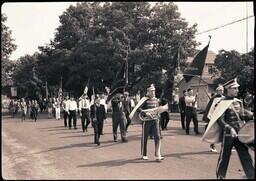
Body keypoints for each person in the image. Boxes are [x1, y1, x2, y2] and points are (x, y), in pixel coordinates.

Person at [201, 78, 254, 179]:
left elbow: (242, 115)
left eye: (237, 88)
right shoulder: (221, 103)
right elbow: (219, 120)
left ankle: (251, 175)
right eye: (235, 88)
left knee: (245, 155)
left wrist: (251, 115)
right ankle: (220, 176)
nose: (237, 90)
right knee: (224, 157)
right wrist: (229, 128)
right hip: (228, 134)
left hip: (240, 133)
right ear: (229, 89)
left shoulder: (238, 101)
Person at [132, 84, 164, 161]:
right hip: (147, 121)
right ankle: (144, 154)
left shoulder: (157, 100)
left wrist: (159, 113)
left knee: (157, 137)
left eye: (154, 91)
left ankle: (158, 154)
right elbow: (137, 108)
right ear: (148, 92)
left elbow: (158, 109)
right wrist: (145, 113)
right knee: (145, 137)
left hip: (155, 121)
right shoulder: (144, 100)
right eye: (151, 91)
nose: (153, 92)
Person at [202, 85, 225, 153]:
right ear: (217, 91)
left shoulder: (224, 98)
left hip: (222, 117)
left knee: (224, 132)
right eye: (220, 90)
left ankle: (224, 146)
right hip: (215, 117)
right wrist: (210, 118)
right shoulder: (214, 98)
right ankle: (212, 146)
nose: (222, 91)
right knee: (214, 132)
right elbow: (210, 108)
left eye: (222, 90)